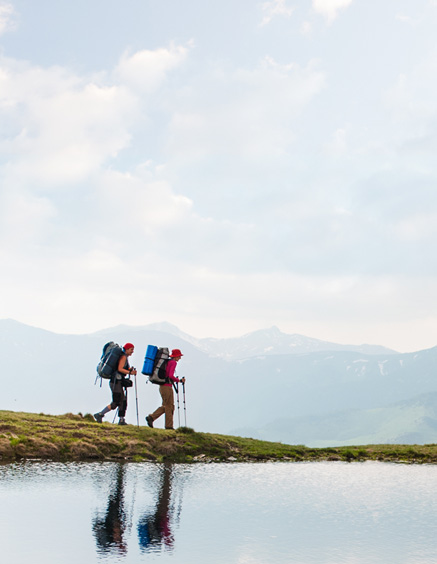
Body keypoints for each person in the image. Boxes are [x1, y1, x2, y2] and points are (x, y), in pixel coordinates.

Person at [94, 343, 137, 425]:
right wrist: (130, 372)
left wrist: (129, 370)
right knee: (117, 401)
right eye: (131, 349)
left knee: (122, 400)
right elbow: (120, 369)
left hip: (117, 381)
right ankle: (100, 414)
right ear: (127, 349)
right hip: (116, 382)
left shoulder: (123, 356)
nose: (132, 351)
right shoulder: (123, 356)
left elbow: (121, 367)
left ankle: (121, 419)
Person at [146, 349, 185, 430]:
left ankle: (152, 418)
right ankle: (168, 426)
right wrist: (179, 380)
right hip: (167, 387)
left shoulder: (168, 362)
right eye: (179, 356)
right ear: (176, 356)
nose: (180, 358)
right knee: (169, 406)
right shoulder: (173, 362)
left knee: (167, 405)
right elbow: (170, 375)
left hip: (163, 386)